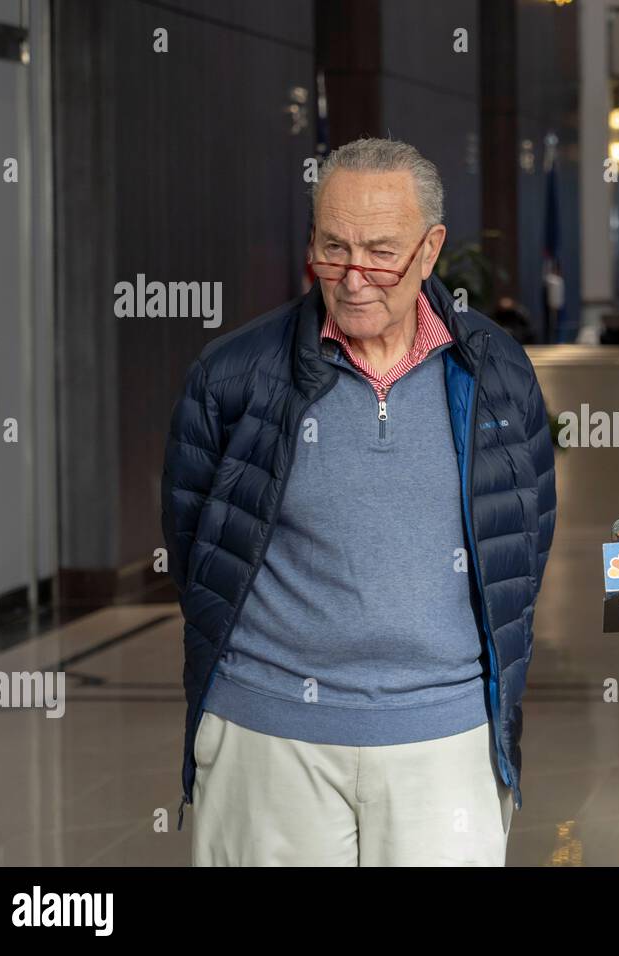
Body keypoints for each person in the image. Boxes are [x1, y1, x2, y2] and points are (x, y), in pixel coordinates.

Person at [161, 138, 556, 865]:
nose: (352, 276)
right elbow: (199, 554)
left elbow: (521, 543)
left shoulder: (496, 370)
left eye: (381, 251)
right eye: (332, 247)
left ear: (431, 248)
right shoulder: (232, 376)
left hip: (446, 739)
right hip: (269, 738)